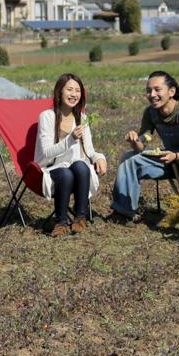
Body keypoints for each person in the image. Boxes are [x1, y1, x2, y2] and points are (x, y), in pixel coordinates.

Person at [109, 71, 179, 230]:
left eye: (157, 90)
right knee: (130, 158)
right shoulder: (151, 113)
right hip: (171, 160)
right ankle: (122, 212)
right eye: (148, 90)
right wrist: (135, 141)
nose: (152, 94)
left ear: (171, 92)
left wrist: (176, 156)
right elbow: (144, 141)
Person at [35, 73, 108, 236]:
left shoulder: (82, 118)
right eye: (69, 90)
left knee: (82, 166)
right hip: (51, 168)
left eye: (78, 90)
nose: (74, 94)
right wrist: (71, 139)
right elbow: (47, 153)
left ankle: (80, 218)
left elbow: (89, 151)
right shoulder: (47, 116)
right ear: (59, 92)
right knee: (66, 174)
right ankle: (60, 223)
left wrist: (100, 157)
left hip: (75, 168)